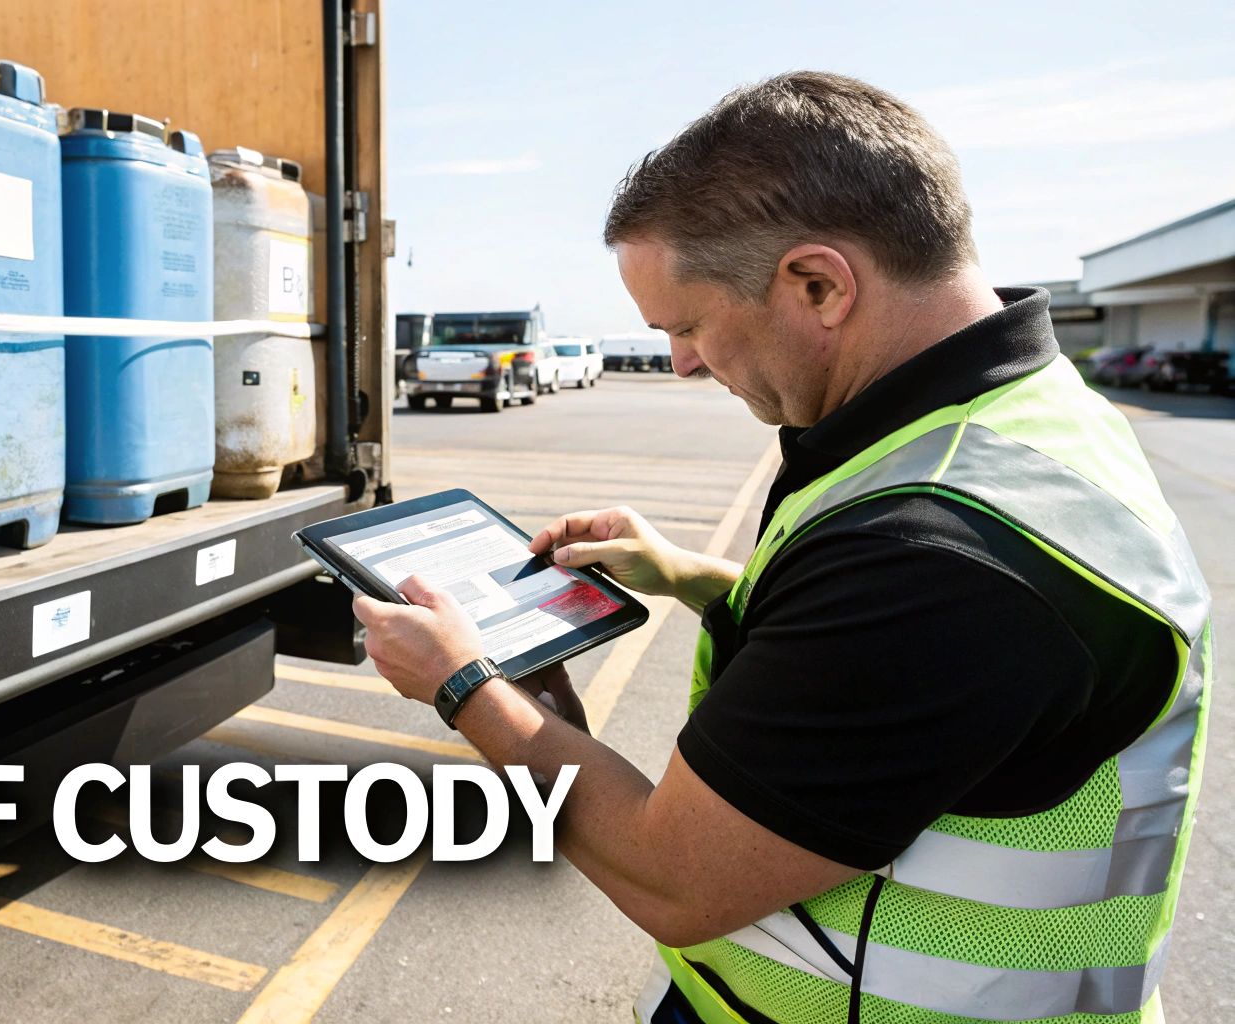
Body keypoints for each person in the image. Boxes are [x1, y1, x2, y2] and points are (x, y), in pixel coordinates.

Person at [352, 71, 1211, 1024]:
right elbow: (885, 658)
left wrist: (465, 685)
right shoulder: (1007, 419)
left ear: (819, 285)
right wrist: (694, 578)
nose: (680, 361)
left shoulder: (934, 562)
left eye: (688, 325)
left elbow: (674, 879)